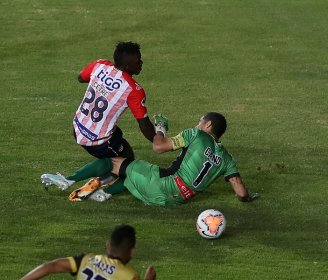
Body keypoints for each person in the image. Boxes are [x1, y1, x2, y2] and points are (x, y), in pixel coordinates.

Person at [65, 112, 259, 205]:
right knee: (136, 172)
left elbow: (158, 147)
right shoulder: (227, 158)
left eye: (199, 121)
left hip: (161, 185)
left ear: (207, 125)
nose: (197, 123)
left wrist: (160, 128)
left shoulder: (196, 135)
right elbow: (240, 190)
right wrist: (249, 198)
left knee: (115, 161)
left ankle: (68, 180)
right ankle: (106, 193)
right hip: (174, 200)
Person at [41, 41, 156, 193]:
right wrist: (159, 140)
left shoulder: (100, 65)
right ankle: (101, 190)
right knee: (126, 162)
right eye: (138, 61)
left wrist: (102, 84)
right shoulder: (133, 90)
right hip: (97, 141)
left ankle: (90, 180)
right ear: (128, 66)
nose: (141, 63)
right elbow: (144, 125)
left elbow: (80, 77)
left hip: (78, 129)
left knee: (117, 140)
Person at [21, 224, 156, 280]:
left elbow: (49, 267)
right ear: (132, 252)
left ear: (108, 245)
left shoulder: (87, 259)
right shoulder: (129, 275)